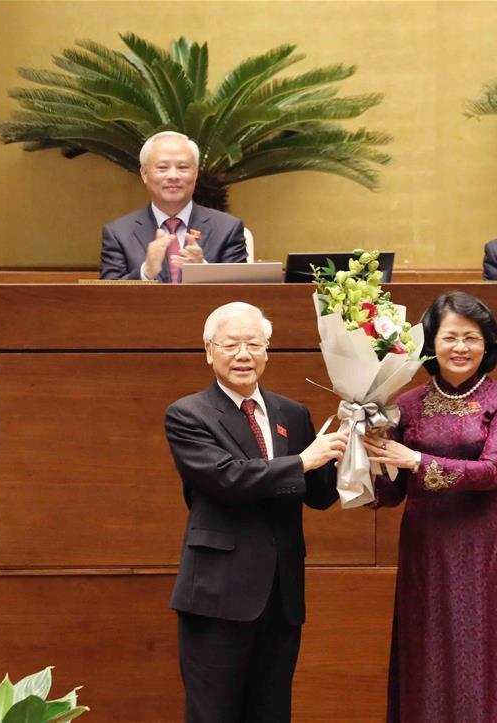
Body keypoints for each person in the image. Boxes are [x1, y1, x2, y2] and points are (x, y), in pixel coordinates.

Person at [165, 302, 347, 722]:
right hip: (217, 596)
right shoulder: (187, 414)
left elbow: (319, 494)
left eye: (253, 344)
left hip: (281, 596)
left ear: (267, 350)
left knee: (272, 713)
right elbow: (227, 479)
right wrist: (303, 461)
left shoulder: (292, 413)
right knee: (214, 714)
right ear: (209, 351)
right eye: (231, 345)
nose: (243, 354)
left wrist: (354, 444)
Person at [363, 291, 497, 723]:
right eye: (450, 337)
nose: (460, 348)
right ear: (430, 343)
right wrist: (365, 460)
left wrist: (416, 460)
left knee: (481, 650)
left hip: (483, 548)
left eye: (472, 338)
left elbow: (492, 471)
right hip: (425, 548)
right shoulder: (406, 403)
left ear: (488, 345)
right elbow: (392, 493)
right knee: (425, 649)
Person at [100, 131, 247, 281]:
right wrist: (146, 273)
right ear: (144, 174)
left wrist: (203, 270)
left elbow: (242, 290)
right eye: (162, 168)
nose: (173, 176)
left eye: (183, 167)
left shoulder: (228, 229)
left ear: (195, 173)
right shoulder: (118, 234)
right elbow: (106, 293)